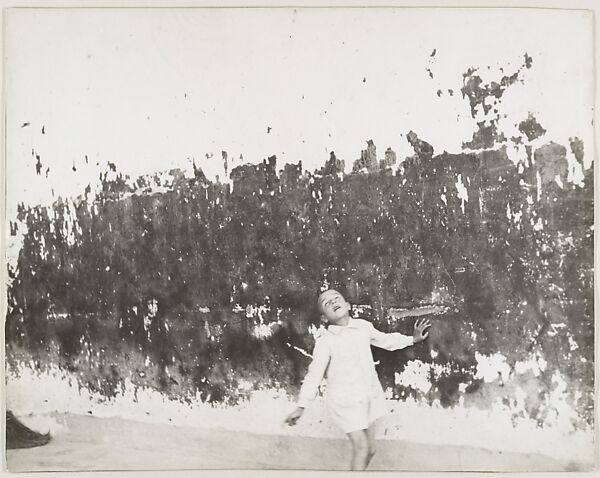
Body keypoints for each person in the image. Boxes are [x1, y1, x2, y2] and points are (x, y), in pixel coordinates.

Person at [284, 289, 431, 470]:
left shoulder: (363, 327)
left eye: (336, 298)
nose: (333, 302)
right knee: (361, 448)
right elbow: (314, 375)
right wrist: (301, 406)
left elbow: (386, 341)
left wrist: (412, 339)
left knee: (370, 450)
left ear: (348, 305)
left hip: (366, 396)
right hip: (343, 401)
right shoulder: (326, 341)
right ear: (324, 318)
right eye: (326, 303)